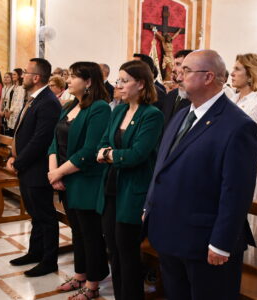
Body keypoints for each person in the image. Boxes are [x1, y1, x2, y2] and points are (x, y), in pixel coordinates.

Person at [144, 50, 257, 299]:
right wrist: (149, 206)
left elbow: (236, 192)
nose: (177, 75)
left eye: (185, 70)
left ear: (208, 77)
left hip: (205, 241)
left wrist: (221, 242)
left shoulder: (238, 126)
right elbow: (162, 165)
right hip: (171, 233)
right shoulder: (182, 115)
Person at [95, 60, 164, 300]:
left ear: (142, 84)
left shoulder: (152, 115)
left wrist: (110, 155)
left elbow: (137, 155)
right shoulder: (119, 110)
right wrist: (109, 153)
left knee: (128, 254)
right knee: (113, 251)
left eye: (125, 81)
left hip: (133, 192)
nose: (119, 86)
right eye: (118, 80)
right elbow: (103, 142)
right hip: (111, 188)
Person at [48, 62, 111, 299]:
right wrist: (54, 172)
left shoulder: (100, 108)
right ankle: (80, 275)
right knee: (77, 231)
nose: (68, 80)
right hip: (65, 178)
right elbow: (55, 141)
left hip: (86, 180)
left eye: (73, 76)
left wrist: (60, 173)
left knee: (90, 233)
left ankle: (93, 285)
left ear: (89, 81)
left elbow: (90, 149)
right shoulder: (70, 105)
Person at [5, 58, 61, 278]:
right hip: (27, 167)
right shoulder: (34, 99)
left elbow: (40, 140)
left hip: (37, 169)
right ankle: (35, 252)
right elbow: (21, 132)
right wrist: (12, 155)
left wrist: (18, 162)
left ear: (36, 77)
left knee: (45, 216)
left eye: (26, 73)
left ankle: (49, 261)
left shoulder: (48, 102)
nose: (22, 76)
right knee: (35, 214)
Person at [229, 53, 257, 266]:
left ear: (251, 74)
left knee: (245, 229)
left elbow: (242, 141)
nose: (232, 73)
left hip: (245, 173)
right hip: (228, 170)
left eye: (237, 69)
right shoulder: (234, 98)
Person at [156, 49, 193, 128]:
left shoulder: (195, 98)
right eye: (174, 65)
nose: (173, 69)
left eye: (178, 64)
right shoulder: (171, 95)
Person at [5, 69, 26, 137]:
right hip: (9, 113)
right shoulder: (13, 87)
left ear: (19, 76)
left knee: (14, 133)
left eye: (14, 74)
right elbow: (8, 100)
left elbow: (18, 102)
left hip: (15, 113)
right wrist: (6, 110)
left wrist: (10, 112)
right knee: (10, 132)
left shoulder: (21, 88)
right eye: (12, 74)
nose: (12, 76)